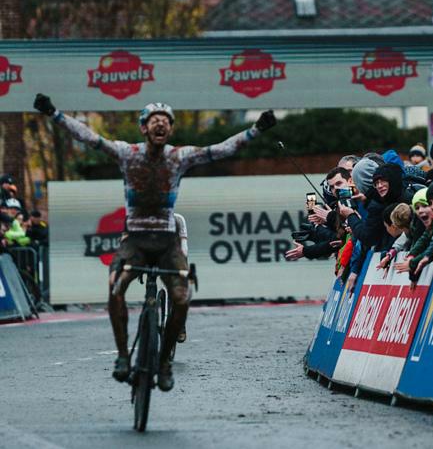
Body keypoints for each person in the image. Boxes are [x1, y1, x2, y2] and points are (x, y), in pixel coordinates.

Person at [32, 93, 276, 391]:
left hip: (166, 242)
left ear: (170, 130)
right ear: (143, 129)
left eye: (166, 122)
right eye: (154, 121)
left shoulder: (179, 157)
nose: (161, 125)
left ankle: (163, 363)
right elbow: (89, 137)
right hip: (134, 239)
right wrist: (54, 113)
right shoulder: (127, 153)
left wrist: (257, 130)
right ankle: (123, 357)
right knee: (116, 288)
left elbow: (220, 149)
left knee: (182, 298)